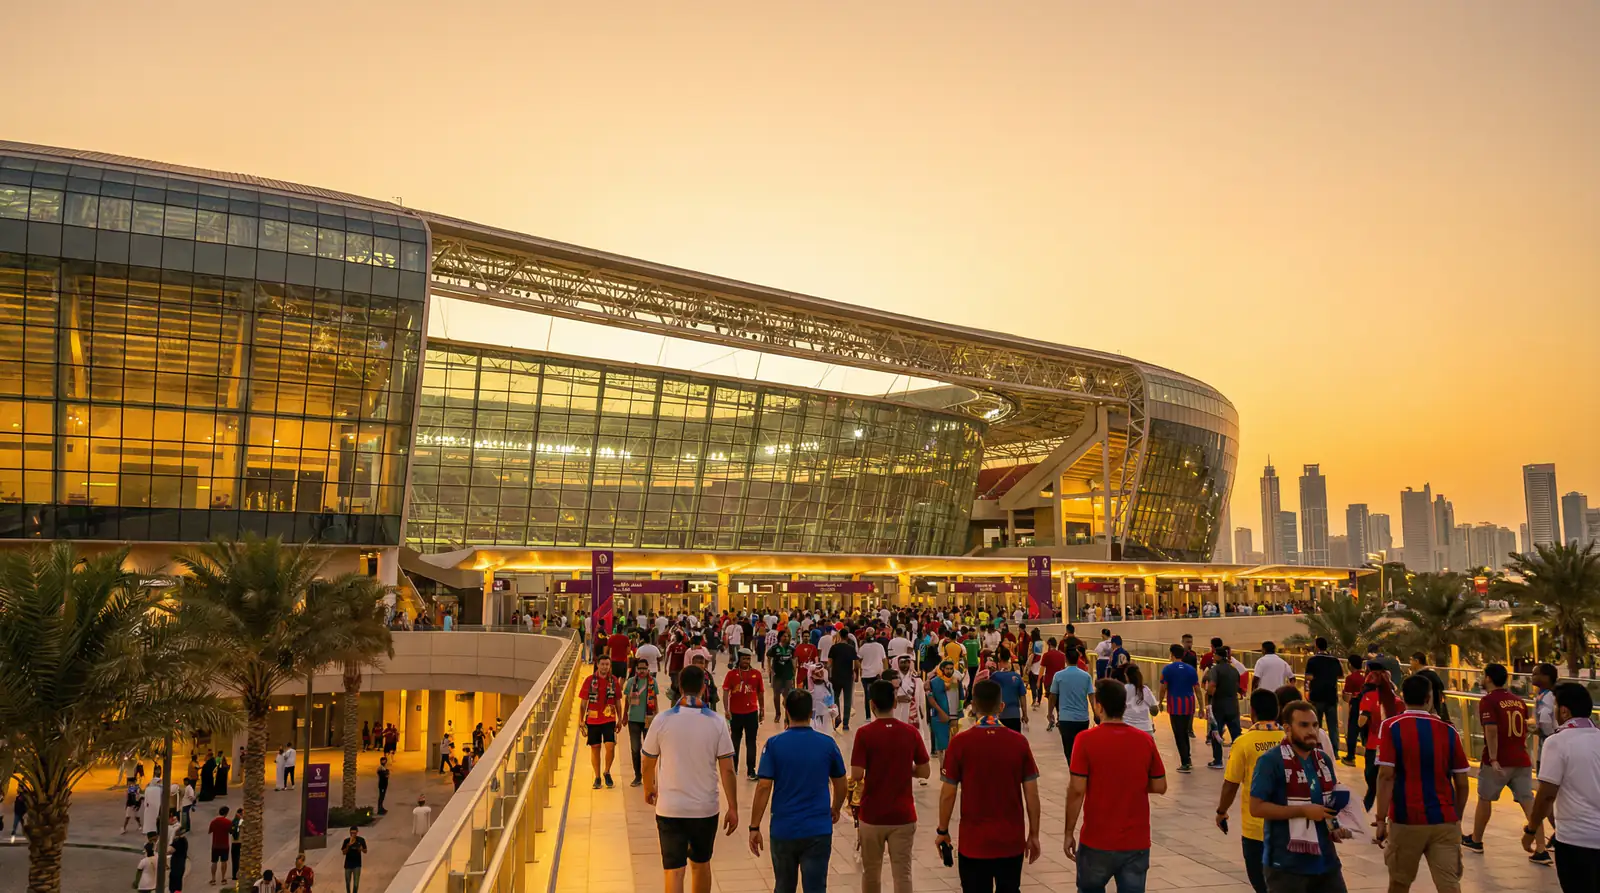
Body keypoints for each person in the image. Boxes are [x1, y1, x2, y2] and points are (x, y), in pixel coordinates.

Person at [935, 679, 1042, 893]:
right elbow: (1031, 793)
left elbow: (948, 793)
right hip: (1011, 841)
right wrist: (1034, 834)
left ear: (973, 706)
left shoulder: (960, 743)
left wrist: (943, 830)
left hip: (974, 842)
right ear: (1001, 707)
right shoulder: (1019, 742)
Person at [1063, 679, 1167, 893]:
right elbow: (1160, 785)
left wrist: (1068, 832)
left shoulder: (1085, 740)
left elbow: (1076, 790)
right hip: (1135, 842)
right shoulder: (1144, 740)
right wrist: (1131, 779)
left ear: (1099, 706)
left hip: (1096, 840)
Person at [643, 665, 739, 893]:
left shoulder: (662, 720)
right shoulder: (716, 722)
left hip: (670, 808)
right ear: (704, 688)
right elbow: (727, 770)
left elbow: (647, 762)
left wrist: (649, 788)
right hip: (704, 809)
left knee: (674, 870)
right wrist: (733, 807)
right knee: (701, 864)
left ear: (679, 687)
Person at [1373, 674, 1470, 893]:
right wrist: (1456, 817)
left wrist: (1380, 820)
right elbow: (1462, 783)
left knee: (1399, 883)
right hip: (1445, 821)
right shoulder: (1449, 731)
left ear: (1402, 697)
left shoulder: (1391, 727)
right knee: (1449, 885)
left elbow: (1386, 775)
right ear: (1429, 698)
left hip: (1406, 821)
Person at [749, 689, 849, 893]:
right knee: (815, 887)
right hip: (818, 829)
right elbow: (841, 783)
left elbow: (764, 787)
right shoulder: (827, 744)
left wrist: (754, 826)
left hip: (784, 829)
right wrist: (836, 807)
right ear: (811, 712)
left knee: (784, 886)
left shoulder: (774, 745)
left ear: (786, 711)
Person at [1247, 700, 1348, 893]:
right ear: (1287, 728)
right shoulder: (1270, 761)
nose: (1311, 730)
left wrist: (1335, 827)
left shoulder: (1322, 760)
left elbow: (1327, 805)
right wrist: (1302, 811)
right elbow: (1257, 807)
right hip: (1286, 865)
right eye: (1304, 725)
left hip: (1326, 862)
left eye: (1315, 725)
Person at [852, 681, 932, 893]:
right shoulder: (910, 733)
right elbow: (925, 771)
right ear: (895, 702)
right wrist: (905, 769)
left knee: (871, 872)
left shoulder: (864, 734)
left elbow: (857, 774)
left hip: (872, 816)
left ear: (872, 705)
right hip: (903, 815)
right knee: (903, 873)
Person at [1464, 663, 1548, 862]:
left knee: (1485, 798)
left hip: (1499, 760)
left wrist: (1493, 758)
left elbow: (1491, 730)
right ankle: (1541, 848)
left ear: (1489, 678)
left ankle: (1476, 840)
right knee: (1528, 801)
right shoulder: (1518, 701)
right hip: (1521, 758)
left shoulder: (1488, 701)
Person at [1525, 682, 1600, 891]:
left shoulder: (1557, 742)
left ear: (1565, 711)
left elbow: (1547, 794)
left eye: (1556, 707)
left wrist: (1531, 830)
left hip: (1576, 840)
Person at [1215, 689, 1291, 893]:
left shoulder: (1243, 743)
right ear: (1277, 711)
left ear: (1252, 712)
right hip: (1291, 827)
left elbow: (1231, 784)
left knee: (1261, 883)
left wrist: (1221, 811)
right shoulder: (1290, 740)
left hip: (1256, 829)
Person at [580, 657, 624, 789]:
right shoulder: (589, 681)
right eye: (602, 664)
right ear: (597, 665)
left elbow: (617, 701)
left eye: (607, 665)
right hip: (593, 719)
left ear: (610, 666)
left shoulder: (614, 681)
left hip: (609, 718)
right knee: (595, 748)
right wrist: (581, 721)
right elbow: (583, 703)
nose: (605, 667)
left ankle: (607, 771)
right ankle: (597, 777)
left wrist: (620, 719)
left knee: (610, 746)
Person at [725, 648, 766, 781]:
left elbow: (760, 693)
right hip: (736, 713)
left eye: (748, 659)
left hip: (751, 713)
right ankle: (734, 769)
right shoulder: (732, 674)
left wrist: (762, 709)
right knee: (735, 742)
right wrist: (726, 709)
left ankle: (751, 770)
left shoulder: (756, 674)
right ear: (739, 659)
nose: (746, 661)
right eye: (744, 658)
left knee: (751, 742)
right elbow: (726, 692)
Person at [1048, 647, 1094, 763]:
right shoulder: (1086, 676)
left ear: (1066, 659)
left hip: (1065, 719)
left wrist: (1050, 713)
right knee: (1080, 749)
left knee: (1069, 751)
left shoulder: (1058, 676)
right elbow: (1091, 696)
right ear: (1078, 659)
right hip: (1082, 719)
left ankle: (1073, 772)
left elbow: (1052, 696)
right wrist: (1096, 713)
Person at [1159, 643, 1200, 772]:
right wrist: (1202, 706)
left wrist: (1160, 702)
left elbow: (1163, 688)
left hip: (1175, 705)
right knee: (1185, 732)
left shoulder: (1167, 669)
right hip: (1189, 704)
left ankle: (1185, 762)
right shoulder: (1191, 669)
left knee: (1179, 734)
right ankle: (1187, 757)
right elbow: (1197, 689)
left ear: (1171, 654)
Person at [1205, 646, 1244, 769]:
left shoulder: (1215, 670)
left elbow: (1212, 685)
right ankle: (1239, 760)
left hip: (1219, 705)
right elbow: (1238, 687)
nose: (1213, 657)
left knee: (1216, 732)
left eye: (1214, 654)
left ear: (1218, 656)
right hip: (1233, 705)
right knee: (1236, 734)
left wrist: (1209, 696)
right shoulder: (1234, 670)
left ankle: (1218, 761)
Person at [1304, 638, 1345, 756]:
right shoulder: (1334, 660)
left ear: (1317, 646)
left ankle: (1316, 749)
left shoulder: (1312, 660)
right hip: (1331, 696)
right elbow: (1341, 675)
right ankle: (1334, 751)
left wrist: (1307, 691)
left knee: (1316, 724)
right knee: (1333, 725)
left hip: (1316, 696)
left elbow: (1308, 677)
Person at [625, 657, 662, 787]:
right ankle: (637, 776)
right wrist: (624, 715)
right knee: (635, 749)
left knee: (649, 750)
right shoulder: (630, 682)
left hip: (648, 719)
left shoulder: (653, 682)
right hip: (633, 720)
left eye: (644, 669)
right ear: (636, 669)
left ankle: (649, 775)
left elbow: (655, 700)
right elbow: (626, 700)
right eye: (639, 668)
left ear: (648, 669)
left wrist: (657, 716)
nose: (642, 671)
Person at [989, 647, 1029, 732]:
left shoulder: (994, 676)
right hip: (1014, 715)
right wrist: (1025, 714)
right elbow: (1022, 697)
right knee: (1014, 742)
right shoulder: (1017, 677)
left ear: (999, 659)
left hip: (999, 716)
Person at [826, 631, 860, 730]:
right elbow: (857, 664)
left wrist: (827, 674)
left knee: (835, 697)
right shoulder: (851, 649)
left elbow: (829, 664)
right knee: (847, 699)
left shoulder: (834, 648)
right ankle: (845, 723)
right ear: (847, 637)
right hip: (848, 677)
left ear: (840, 636)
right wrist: (856, 673)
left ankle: (837, 717)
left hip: (836, 676)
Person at [928, 659, 961, 756]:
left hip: (954, 715)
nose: (949, 671)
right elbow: (930, 697)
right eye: (947, 669)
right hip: (939, 715)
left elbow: (960, 698)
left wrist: (959, 713)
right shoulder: (934, 682)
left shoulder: (956, 681)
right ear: (942, 669)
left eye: (951, 669)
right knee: (941, 743)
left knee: (953, 742)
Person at [1407, 653, 1450, 724]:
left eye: (1411, 660)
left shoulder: (1418, 678)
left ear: (1417, 661)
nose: (1410, 663)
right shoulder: (1433, 674)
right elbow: (1441, 688)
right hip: (1436, 712)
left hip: (1423, 714)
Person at [1339, 656, 1366, 766]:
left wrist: (1343, 695)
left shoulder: (1351, 678)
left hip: (1356, 706)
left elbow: (1347, 697)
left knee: (1352, 732)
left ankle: (1350, 757)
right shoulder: (1367, 676)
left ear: (1350, 664)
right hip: (1367, 706)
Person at [768, 631, 797, 723]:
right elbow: (768, 656)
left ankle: (787, 716)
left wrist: (794, 670)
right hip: (777, 675)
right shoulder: (774, 648)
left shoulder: (791, 649)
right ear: (780, 637)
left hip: (788, 675)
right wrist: (769, 668)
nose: (786, 638)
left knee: (787, 696)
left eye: (787, 636)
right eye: (784, 636)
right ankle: (777, 714)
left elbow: (794, 659)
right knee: (776, 696)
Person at [1121, 664, 1158, 734]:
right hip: (1146, 729)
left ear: (1127, 676)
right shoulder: (1145, 689)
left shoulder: (1123, 689)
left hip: (1127, 728)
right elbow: (1155, 710)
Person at [208, 806, 233, 885]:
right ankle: (223, 879)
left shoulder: (213, 821)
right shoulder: (228, 822)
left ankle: (213, 879)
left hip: (215, 845)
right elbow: (231, 832)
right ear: (226, 813)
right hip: (224, 845)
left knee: (214, 862)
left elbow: (210, 831)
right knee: (224, 862)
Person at [340, 826, 368, 893]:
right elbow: (344, 852)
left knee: (356, 884)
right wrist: (348, 846)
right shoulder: (346, 841)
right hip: (348, 864)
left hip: (357, 864)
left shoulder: (361, 840)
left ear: (357, 832)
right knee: (347, 883)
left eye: (354, 833)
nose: (353, 835)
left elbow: (365, 851)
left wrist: (361, 849)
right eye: (351, 833)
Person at [168, 826, 190, 893]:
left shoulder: (177, 842)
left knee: (174, 880)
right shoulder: (185, 841)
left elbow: (171, 850)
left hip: (176, 864)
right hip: (182, 863)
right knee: (179, 880)